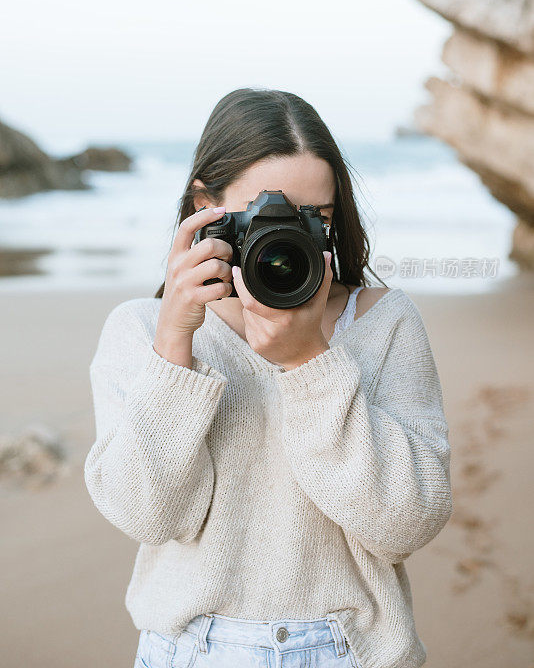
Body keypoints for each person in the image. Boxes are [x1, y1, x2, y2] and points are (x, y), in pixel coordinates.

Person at [84, 88, 453, 668]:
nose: (290, 239)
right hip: (187, 650)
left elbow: (406, 523)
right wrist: (174, 347)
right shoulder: (139, 332)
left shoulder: (383, 323)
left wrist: (311, 362)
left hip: (350, 652)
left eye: (316, 219)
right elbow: (149, 516)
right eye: (264, 216)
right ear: (205, 205)